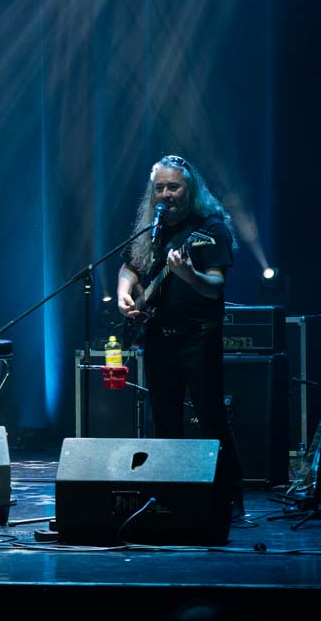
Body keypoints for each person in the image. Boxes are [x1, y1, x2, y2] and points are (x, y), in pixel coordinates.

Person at [117, 154, 244, 515]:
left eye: (173, 187)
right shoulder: (152, 228)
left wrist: (189, 274)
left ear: (190, 188)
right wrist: (125, 293)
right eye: (160, 188)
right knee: (164, 420)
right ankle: (170, 497)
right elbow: (129, 266)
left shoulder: (211, 229)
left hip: (198, 338)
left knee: (211, 417)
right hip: (159, 337)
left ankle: (230, 497)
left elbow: (214, 287)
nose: (166, 194)